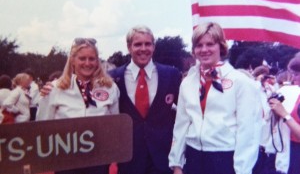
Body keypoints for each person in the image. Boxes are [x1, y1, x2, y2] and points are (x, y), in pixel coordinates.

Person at [168, 22, 261, 174]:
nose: (204, 50)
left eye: (210, 44)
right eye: (199, 45)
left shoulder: (241, 82)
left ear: (221, 46)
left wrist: (242, 170)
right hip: (193, 157)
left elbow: (248, 131)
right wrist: (176, 164)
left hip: (225, 158)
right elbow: (181, 125)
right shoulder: (187, 82)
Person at [36, 38, 120, 174]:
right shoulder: (55, 88)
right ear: (73, 61)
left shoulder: (110, 88)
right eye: (82, 58)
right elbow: (42, 126)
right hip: (66, 161)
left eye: (92, 59)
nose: (87, 63)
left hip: (99, 161)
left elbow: (116, 125)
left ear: (97, 61)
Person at [109, 25, 182, 174]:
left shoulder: (171, 74)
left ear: (154, 47)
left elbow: (185, 112)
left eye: (147, 44)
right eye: (138, 44)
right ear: (129, 47)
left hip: (162, 159)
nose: (143, 48)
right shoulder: (113, 78)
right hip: (129, 160)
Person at [269, 56, 300, 174]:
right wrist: (275, 110)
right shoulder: (295, 93)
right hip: (289, 150)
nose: (292, 78)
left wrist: (285, 114)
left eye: (296, 74)